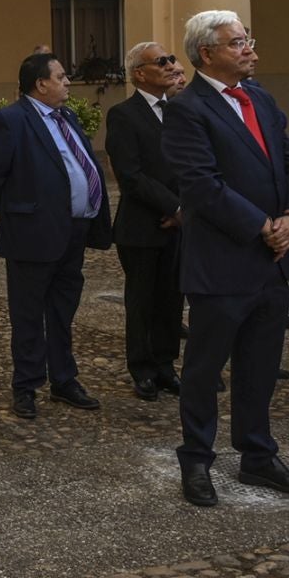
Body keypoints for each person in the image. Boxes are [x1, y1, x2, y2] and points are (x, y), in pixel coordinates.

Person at [162, 11, 289, 508]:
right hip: (222, 262)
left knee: (261, 366)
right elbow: (202, 185)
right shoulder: (187, 108)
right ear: (207, 53)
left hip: (271, 261)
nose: (250, 50)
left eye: (248, 40)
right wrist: (262, 226)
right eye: (237, 43)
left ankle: (258, 456)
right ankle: (197, 459)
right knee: (205, 370)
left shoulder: (262, 98)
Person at [0, 52, 111, 421]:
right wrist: (21, 211)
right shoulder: (11, 120)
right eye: (61, 76)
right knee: (27, 314)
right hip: (32, 233)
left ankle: (64, 380)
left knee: (62, 310)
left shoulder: (67, 117)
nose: (68, 81)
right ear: (41, 83)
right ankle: (26, 385)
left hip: (73, 231)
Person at [105, 42, 183, 401]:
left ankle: (167, 365)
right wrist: (172, 206)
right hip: (142, 225)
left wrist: (186, 209)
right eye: (162, 61)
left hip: (180, 223)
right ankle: (143, 369)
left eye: (171, 60)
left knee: (171, 298)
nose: (171, 66)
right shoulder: (124, 114)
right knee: (142, 301)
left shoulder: (180, 111)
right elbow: (131, 174)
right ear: (140, 72)